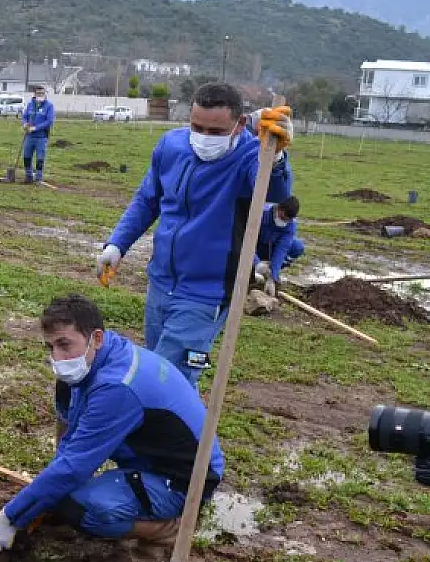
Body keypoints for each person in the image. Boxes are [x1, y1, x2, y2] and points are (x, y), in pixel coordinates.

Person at [0, 295, 225, 552]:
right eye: (50, 347)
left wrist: (9, 517)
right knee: (57, 493)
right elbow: (69, 440)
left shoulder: (117, 387)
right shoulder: (91, 361)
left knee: (78, 508)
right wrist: (47, 489)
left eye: (64, 344)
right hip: (146, 457)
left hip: (184, 480)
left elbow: (74, 467)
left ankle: (166, 530)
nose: (57, 358)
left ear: (96, 338)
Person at [96, 83, 294, 388]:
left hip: (206, 294)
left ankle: (178, 435)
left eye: (215, 132)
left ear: (240, 125)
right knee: (155, 369)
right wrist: (117, 244)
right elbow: (148, 199)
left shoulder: (249, 156)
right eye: (197, 127)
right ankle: (167, 432)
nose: (204, 137)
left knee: (165, 382)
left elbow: (274, 191)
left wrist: (277, 157)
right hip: (161, 284)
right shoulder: (171, 146)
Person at [252, 196, 304, 297]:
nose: (284, 222)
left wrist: (272, 277)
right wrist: (256, 262)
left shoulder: (290, 225)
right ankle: (252, 268)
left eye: (287, 220)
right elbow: (245, 240)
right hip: (254, 246)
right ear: (279, 209)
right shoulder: (261, 213)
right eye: (283, 218)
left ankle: (269, 271)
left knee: (297, 246)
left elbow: (282, 249)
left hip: (270, 248)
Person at [20, 85, 55, 184]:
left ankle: (38, 178)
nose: (40, 95)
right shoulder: (30, 105)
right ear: (34, 94)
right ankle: (28, 176)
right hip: (29, 136)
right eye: (38, 93)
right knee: (27, 156)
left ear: (45, 94)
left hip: (41, 137)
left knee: (40, 158)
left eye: (42, 93)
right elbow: (25, 117)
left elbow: (49, 121)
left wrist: (36, 128)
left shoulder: (49, 106)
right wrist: (25, 124)